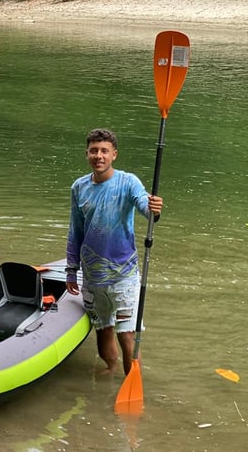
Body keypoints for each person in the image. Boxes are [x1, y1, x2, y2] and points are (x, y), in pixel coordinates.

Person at [65, 128, 163, 376]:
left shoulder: (128, 182)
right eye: (94, 151)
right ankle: (110, 368)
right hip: (92, 275)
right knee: (103, 329)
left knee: (126, 333)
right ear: (87, 153)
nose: (99, 156)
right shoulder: (79, 187)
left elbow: (144, 204)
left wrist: (153, 209)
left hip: (124, 274)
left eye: (104, 151)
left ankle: (132, 382)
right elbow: (75, 230)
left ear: (114, 155)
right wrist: (70, 269)